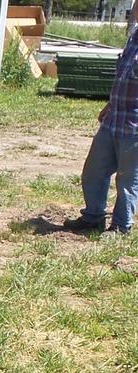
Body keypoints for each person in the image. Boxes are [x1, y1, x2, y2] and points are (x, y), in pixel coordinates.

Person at [64, 18, 138, 236]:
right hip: (115, 118)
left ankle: (120, 227)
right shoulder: (134, 36)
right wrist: (109, 105)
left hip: (134, 124)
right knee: (94, 170)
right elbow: (124, 78)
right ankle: (92, 217)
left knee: (128, 178)